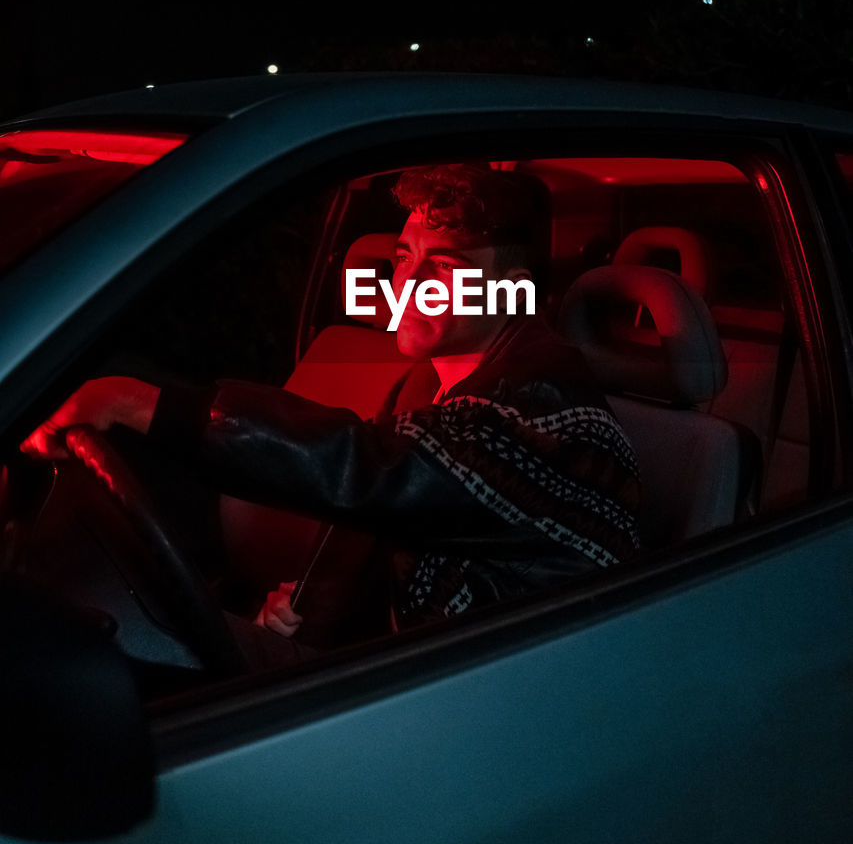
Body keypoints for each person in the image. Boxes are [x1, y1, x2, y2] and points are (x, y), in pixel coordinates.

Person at [22, 164, 642, 663]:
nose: (409, 283)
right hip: (423, 661)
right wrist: (308, 608)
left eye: (445, 267)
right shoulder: (431, 386)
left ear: (516, 289)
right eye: (403, 257)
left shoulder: (545, 409)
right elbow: (410, 524)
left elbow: (377, 468)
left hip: (490, 695)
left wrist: (144, 405)